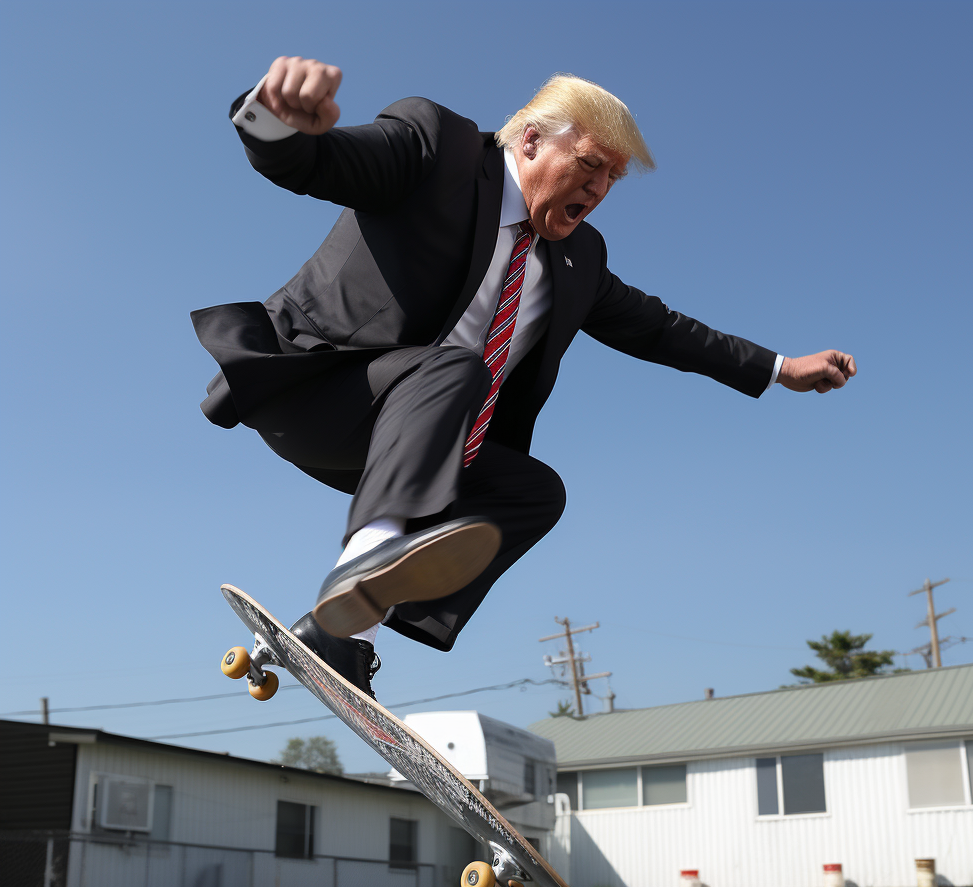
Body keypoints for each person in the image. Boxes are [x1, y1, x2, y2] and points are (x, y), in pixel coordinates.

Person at [194, 56, 857, 700]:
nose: (598, 190)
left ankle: (346, 634)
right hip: (317, 393)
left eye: (613, 179)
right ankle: (364, 562)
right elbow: (324, 161)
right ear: (532, 140)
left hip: (411, 442)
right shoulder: (439, 149)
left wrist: (779, 369)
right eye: (591, 165)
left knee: (531, 491)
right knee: (456, 369)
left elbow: (662, 328)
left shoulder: (580, 258)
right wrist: (279, 125)